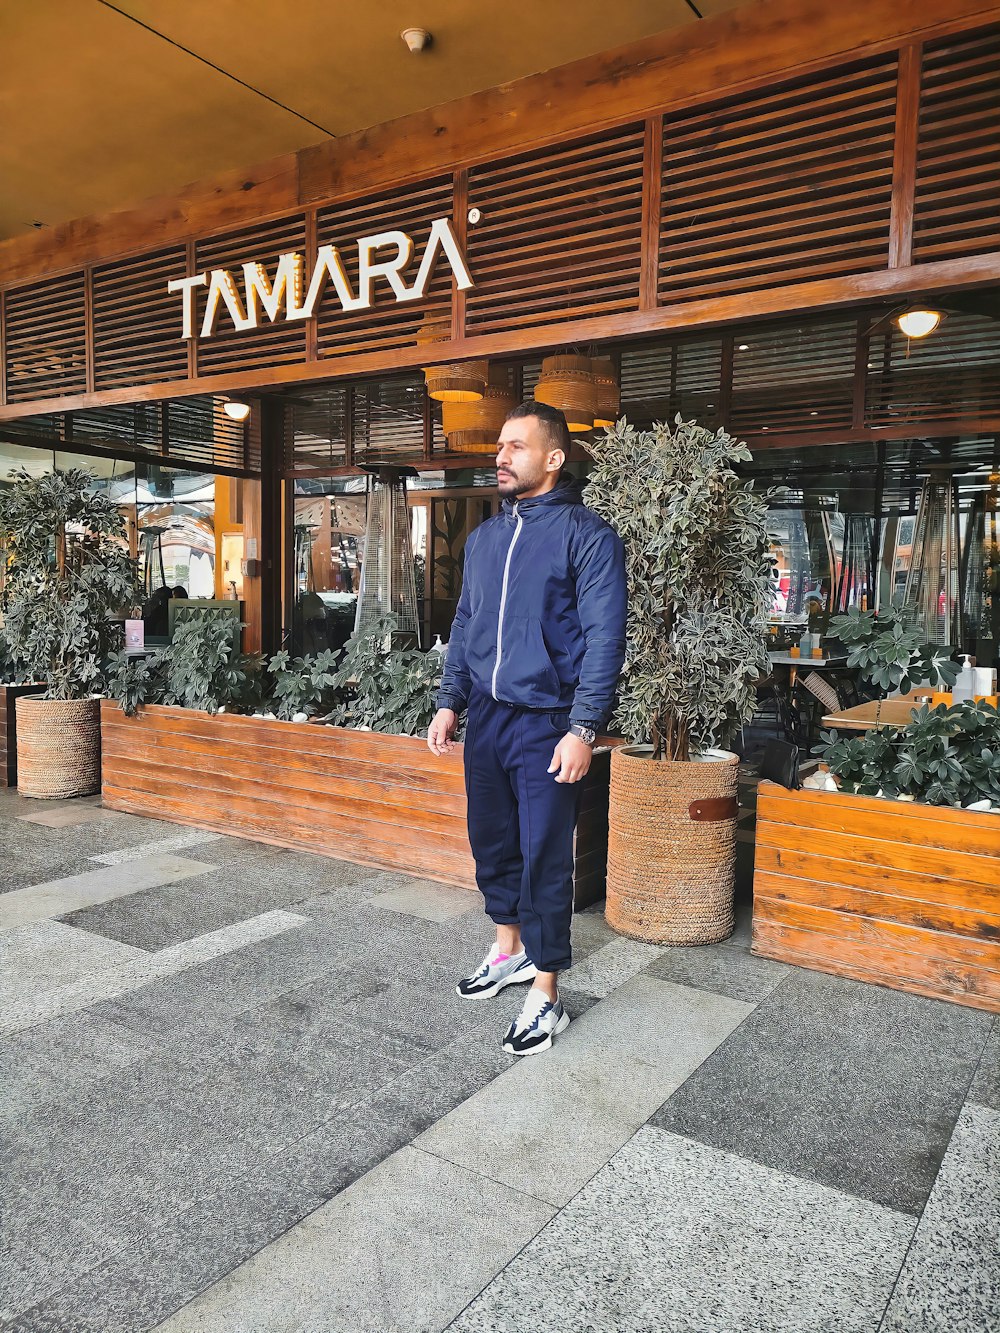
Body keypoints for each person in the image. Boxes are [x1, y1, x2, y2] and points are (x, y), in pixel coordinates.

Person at [427, 402, 627, 1056]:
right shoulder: (485, 538)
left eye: (516, 446)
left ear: (553, 458)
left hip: (548, 724)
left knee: (544, 853)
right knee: (493, 842)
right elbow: (465, 626)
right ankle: (507, 950)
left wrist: (584, 726)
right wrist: (449, 700)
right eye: (500, 446)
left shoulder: (588, 536)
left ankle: (546, 992)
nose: (501, 455)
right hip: (486, 719)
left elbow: (605, 639)